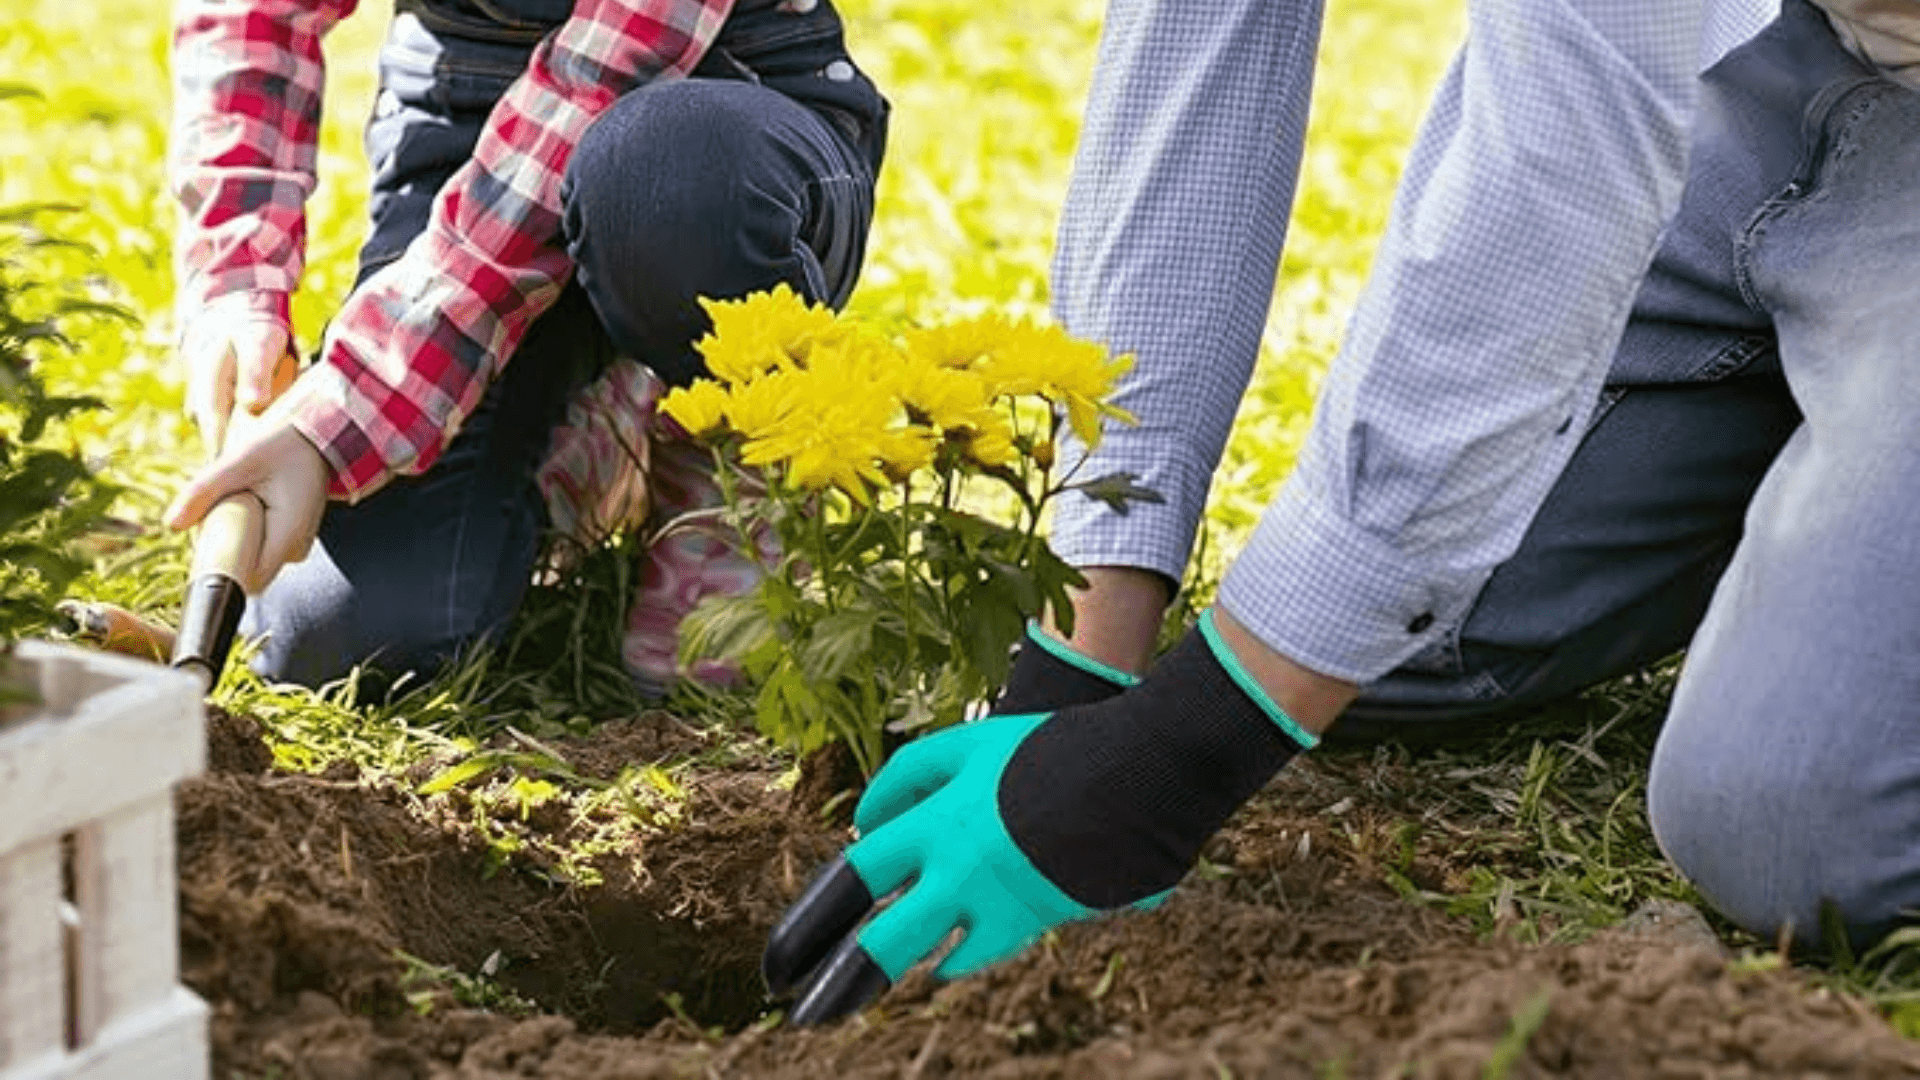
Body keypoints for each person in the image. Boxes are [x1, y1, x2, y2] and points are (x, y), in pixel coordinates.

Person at [766, 0, 1920, 1026]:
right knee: (1388, 646)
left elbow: (1561, 149)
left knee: (1794, 831)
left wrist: (1171, 762)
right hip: (1779, 72)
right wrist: (1088, 647)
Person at [163, 0, 888, 691]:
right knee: (340, 633)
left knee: (661, 180)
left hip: (719, 153)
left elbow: (608, 77)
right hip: (467, 134)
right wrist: (236, 284)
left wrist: (350, 408)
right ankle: (594, 422)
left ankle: (720, 438)